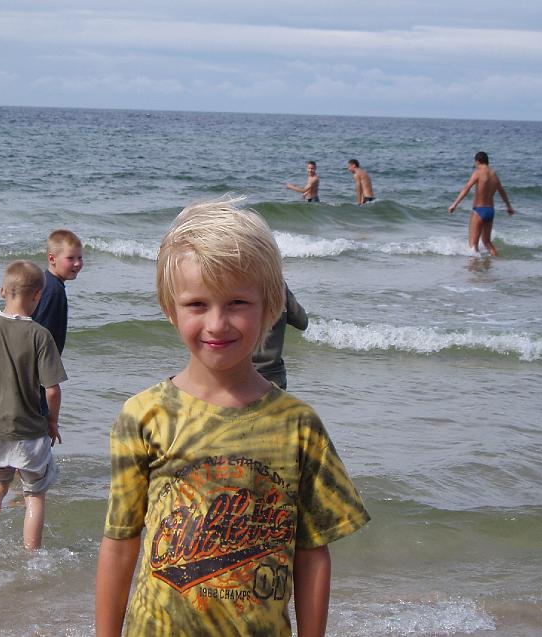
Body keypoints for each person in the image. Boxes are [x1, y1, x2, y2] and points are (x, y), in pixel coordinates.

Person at [95, 197, 369, 636]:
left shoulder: (299, 425)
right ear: (170, 307)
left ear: (270, 307)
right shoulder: (143, 416)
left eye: (238, 302)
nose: (217, 323)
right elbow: (120, 542)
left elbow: (312, 553)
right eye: (197, 304)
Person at [0, 260, 67, 550]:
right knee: (34, 495)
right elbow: (52, 390)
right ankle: (31, 555)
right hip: (29, 431)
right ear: (38, 295)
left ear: (2, 291)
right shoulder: (40, 335)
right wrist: (52, 422)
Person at [448, 151, 515, 256]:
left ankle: (474, 265)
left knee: (473, 245)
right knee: (487, 241)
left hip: (479, 210)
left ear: (478, 161)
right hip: (490, 211)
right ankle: (497, 260)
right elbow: (502, 191)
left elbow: (466, 188)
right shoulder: (494, 174)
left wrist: (454, 204)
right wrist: (509, 207)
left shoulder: (478, 172)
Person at [31, 229, 84, 355]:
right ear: (52, 259)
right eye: (70, 258)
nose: (77, 263)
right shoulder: (54, 291)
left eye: (80, 257)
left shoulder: (46, 281)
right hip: (43, 361)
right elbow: (42, 333)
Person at [253, 283, 308, 390]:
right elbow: (302, 322)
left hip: (240, 377)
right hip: (275, 377)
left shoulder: (236, 284)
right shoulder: (278, 285)